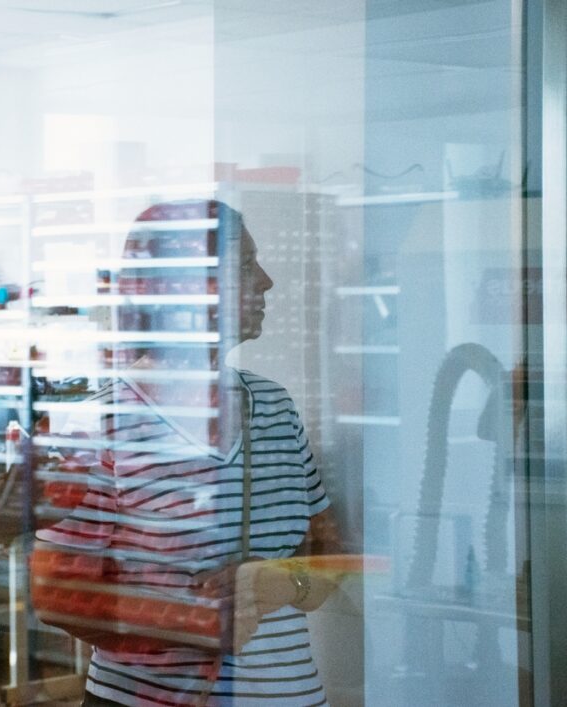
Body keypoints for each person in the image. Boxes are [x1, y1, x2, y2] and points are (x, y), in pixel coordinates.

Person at [34, 200, 343, 707]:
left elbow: (328, 554)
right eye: (244, 266)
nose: (265, 282)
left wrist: (283, 583)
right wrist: (195, 621)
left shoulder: (273, 405)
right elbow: (59, 599)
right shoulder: (93, 426)